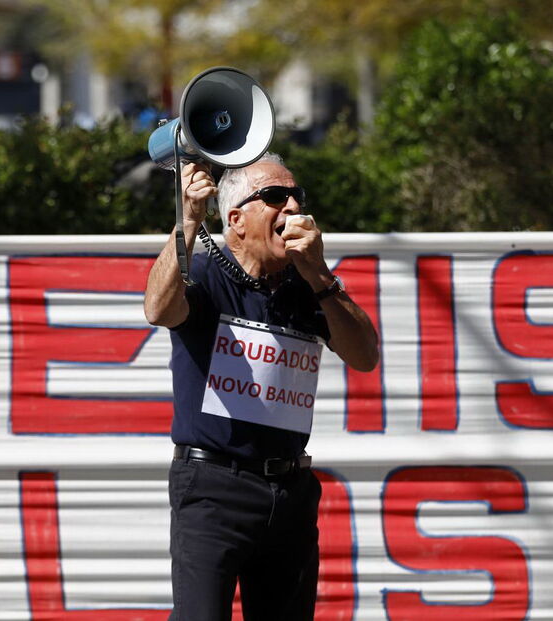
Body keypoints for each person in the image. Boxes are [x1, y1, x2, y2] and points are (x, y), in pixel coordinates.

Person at [144, 153, 379, 621]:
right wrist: (187, 220)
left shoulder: (306, 284)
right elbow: (158, 308)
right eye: (274, 197)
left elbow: (365, 356)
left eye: (297, 197)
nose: (292, 207)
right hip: (214, 488)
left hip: (290, 491)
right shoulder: (206, 271)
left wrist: (320, 275)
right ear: (236, 220)